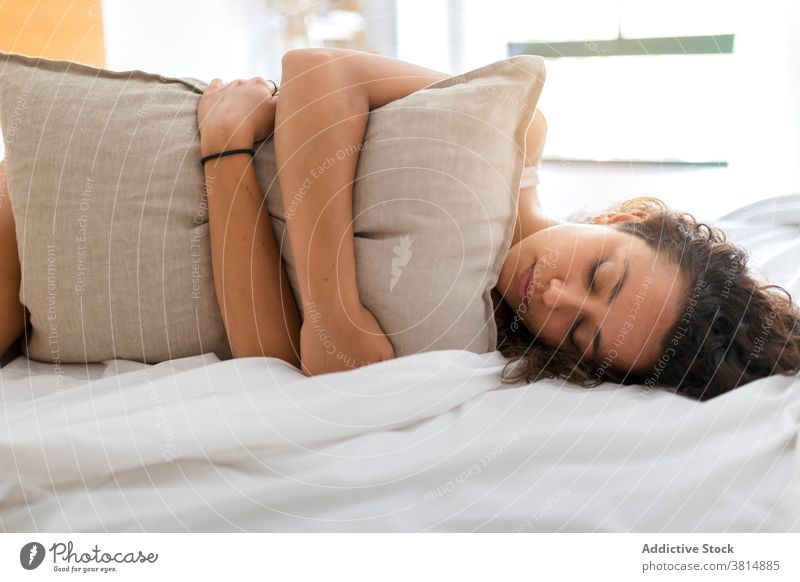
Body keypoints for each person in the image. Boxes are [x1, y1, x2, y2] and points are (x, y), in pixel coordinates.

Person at [196, 47, 800, 398]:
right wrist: (333, 313)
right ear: (626, 217)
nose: (555, 299)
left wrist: (225, 151)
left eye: (582, 333)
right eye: (598, 274)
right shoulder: (511, 137)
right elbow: (318, 70)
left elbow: (266, 351)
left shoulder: (463, 337)